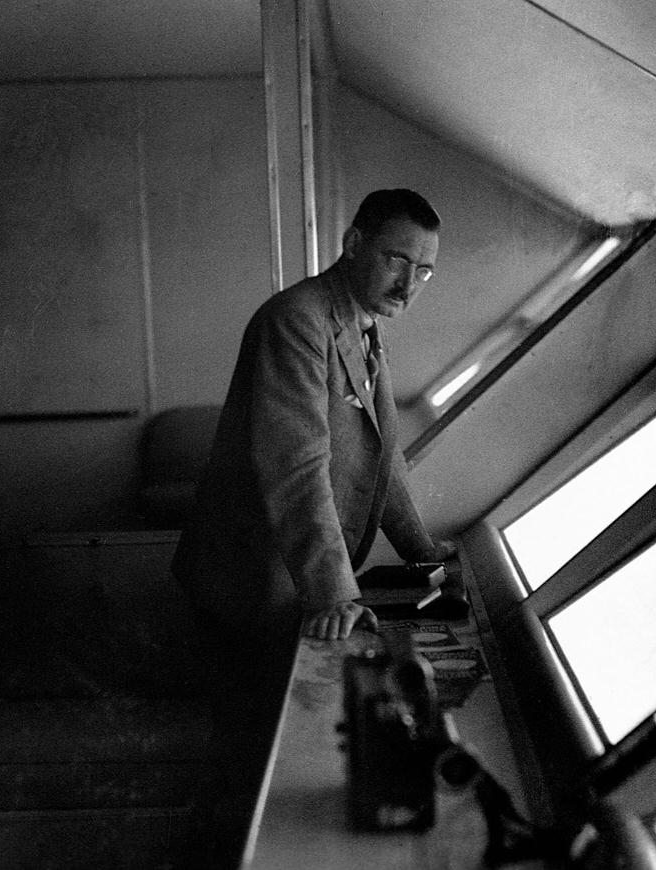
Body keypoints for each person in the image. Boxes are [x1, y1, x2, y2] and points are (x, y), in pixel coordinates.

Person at [170, 188, 455, 867]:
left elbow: (383, 453)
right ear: (353, 243)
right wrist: (334, 592)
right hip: (247, 583)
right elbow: (298, 465)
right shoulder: (295, 320)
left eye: (424, 272)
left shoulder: (358, 320)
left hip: (288, 576)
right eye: (396, 260)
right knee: (246, 770)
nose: (408, 286)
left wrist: (422, 553)